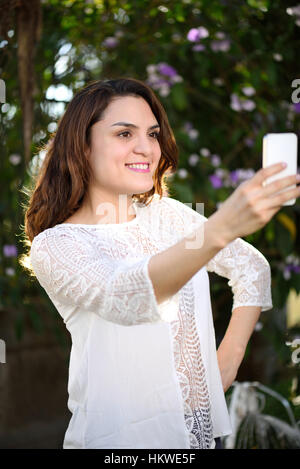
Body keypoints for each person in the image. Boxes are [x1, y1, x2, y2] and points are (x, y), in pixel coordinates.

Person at [21, 77, 300, 450]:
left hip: (205, 438)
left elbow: (251, 268)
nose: (146, 148)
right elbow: (128, 297)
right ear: (82, 146)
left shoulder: (167, 216)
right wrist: (221, 227)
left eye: (152, 134)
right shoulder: (57, 246)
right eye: (124, 134)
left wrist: (228, 361)